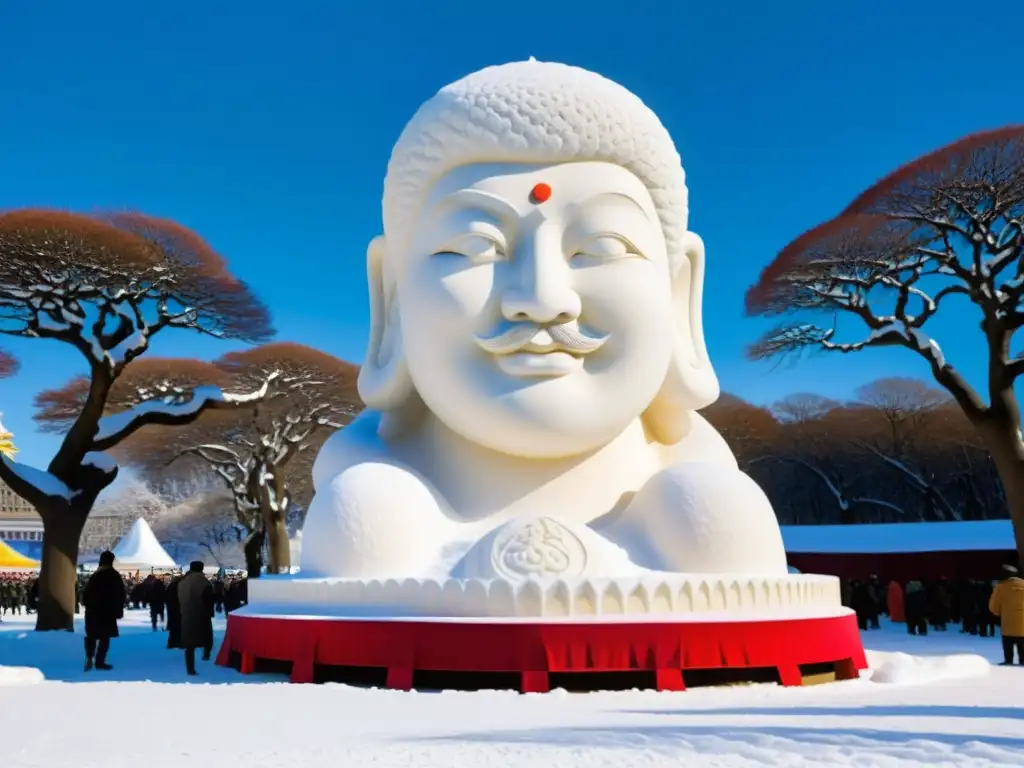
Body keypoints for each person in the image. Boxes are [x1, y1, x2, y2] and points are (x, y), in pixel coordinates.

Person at [81, 551, 125, 672]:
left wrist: (87, 604)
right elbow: (120, 595)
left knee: (91, 636)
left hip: (92, 611)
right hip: (107, 612)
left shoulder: (95, 575)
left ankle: (89, 656)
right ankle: (100, 661)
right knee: (104, 638)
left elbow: (86, 594)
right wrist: (118, 611)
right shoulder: (114, 575)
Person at [178, 561, 214, 675]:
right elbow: (208, 600)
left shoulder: (182, 582)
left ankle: (190, 668)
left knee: (189, 644)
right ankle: (206, 654)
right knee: (207, 636)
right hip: (201, 614)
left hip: (186, 614)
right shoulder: (204, 582)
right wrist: (209, 613)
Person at [989, 564, 1024, 666]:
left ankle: (1008, 661)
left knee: (1008, 645)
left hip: (1008, 623)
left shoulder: (1000, 587)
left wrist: (998, 613)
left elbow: (993, 606)